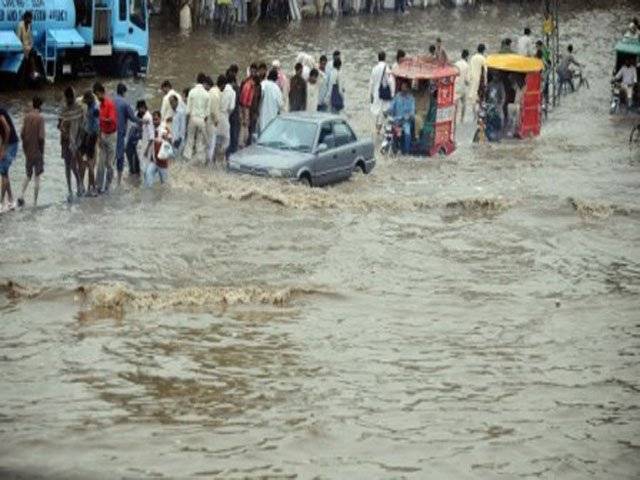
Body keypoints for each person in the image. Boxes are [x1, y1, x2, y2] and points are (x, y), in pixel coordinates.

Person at [16, 96, 45, 207]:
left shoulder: (27, 117)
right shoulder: (40, 118)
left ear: (33, 104)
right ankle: (34, 203)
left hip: (28, 151)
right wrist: (41, 152)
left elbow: (22, 134)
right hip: (37, 151)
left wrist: (25, 147)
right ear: (40, 106)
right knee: (37, 177)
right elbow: (41, 137)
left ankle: (21, 196)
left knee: (28, 175)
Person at [58, 90, 84, 201]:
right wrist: (63, 129)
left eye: (70, 98)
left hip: (76, 141)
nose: (69, 100)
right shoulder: (63, 109)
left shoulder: (79, 107)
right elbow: (59, 125)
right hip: (65, 141)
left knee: (73, 165)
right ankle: (70, 190)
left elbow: (83, 124)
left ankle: (79, 184)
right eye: (67, 98)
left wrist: (79, 140)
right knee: (67, 166)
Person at [93, 83, 118, 194]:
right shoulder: (99, 105)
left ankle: (108, 186)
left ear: (101, 92)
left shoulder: (109, 104)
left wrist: (100, 117)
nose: (96, 97)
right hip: (102, 135)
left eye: (96, 94)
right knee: (100, 164)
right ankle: (98, 187)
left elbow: (111, 120)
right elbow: (99, 123)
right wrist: (98, 137)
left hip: (111, 136)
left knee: (109, 164)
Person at [114, 83, 138, 186]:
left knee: (110, 156)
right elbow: (133, 118)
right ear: (124, 92)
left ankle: (109, 179)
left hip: (110, 132)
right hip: (120, 133)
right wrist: (143, 121)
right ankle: (118, 181)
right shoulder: (125, 103)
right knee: (120, 157)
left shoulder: (111, 101)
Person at [184, 73, 211, 163]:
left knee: (190, 140)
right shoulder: (207, 94)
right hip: (202, 120)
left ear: (196, 79)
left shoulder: (192, 92)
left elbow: (188, 110)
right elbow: (207, 113)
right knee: (200, 141)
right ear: (204, 82)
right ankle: (199, 161)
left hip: (193, 118)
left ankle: (187, 159)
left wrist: (187, 122)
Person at [79, 91, 99, 196]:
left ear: (88, 100)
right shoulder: (91, 106)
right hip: (88, 135)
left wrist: (89, 138)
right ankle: (86, 186)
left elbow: (95, 126)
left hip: (90, 137)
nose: (84, 102)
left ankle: (93, 187)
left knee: (89, 163)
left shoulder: (94, 109)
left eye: (85, 100)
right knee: (86, 162)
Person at [388, 80, 415, 154]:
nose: (403, 89)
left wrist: (408, 116)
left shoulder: (411, 99)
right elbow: (391, 107)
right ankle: (394, 149)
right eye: (402, 87)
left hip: (406, 121)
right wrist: (389, 111)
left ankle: (406, 151)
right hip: (396, 120)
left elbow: (412, 111)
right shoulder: (397, 96)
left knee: (407, 133)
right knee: (390, 132)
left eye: (405, 87)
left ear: (408, 88)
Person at [145, 113, 173, 187]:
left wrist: (166, 138)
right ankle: (149, 196)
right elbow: (150, 140)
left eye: (156, 119)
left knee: (164, 185)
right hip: (153, 160)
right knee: (148, 175)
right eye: (153, 120)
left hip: (163, 162)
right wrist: (146, 150)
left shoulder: (164, 129)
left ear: (160, 119)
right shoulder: (151, 129)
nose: (154, 122)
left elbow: (171, 141)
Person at [369, 51, 393, 134]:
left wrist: (370, 94)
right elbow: (390, 82)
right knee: (384, 111)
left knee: (377, 111)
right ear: (385, 58)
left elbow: (371, 83)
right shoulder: (386, 68)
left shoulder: (374, 68)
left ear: (378, 58)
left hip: (376, 93)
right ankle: (380, 130)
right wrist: (392, 93)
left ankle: (377, 130)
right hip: (384, 94)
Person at [0, 107, 18, 210]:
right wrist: (1, 148)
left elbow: (7, 129)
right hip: (9, 144)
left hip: (12, 144)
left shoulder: (0, 112)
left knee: (3, 171)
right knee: (4, 172)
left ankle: (1, 203)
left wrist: (4, 148)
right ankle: (11, 201)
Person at [259, 69, 284, 133]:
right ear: (276, 78)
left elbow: (259, 97)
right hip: (273, 118)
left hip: (262, 116)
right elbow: (281, 104)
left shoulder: (263, 84)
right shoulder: (276, 88)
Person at [239, 64, 257, 147]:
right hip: (246, 107)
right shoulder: (245, 82)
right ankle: (244, 144)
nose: (252, 73)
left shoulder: (257, 82)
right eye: (251, 71)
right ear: (249, 71)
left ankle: (248, 144)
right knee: (245, 126)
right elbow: (241, 96)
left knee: (251, 127)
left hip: (253, 108)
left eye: (254, 71)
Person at [219, 74, 236, 162]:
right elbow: (231, 107)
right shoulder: (232, 92)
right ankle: (222, 160)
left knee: (217, 140)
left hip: (217, 117)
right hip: (225, 117)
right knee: (226, 141)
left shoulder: (219, 90)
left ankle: (214, 161)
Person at [16, 11, 38, 81]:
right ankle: (33, 74)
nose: (31, 20)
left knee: (33, 54)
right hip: (21, 47)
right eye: (30, 18)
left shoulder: (29, 26)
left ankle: (32, 74)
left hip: (27, 48)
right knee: (31, 56)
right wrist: (25, 47)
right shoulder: (20, 25)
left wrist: (29, 47)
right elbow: (18, 39)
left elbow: (31, 39)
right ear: (26, 18)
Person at [485, 73, 506, 142]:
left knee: (500, 119)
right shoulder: (490, 84)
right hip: (490, 105)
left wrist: (501, 105)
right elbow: (486, 94)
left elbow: (503, 96)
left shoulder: (500, 85)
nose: (495, 77)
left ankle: (499, 135)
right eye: (494, 75)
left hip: (498, 105)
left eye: (496, 75)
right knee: (489, 120)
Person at [468, 43, 488, 118]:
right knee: (481, 99)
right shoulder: (483, 58)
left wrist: (469, 79)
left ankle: (474, 115)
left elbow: (470, 69)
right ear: (483, 50)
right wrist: (486, 82)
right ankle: (479, 114)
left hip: (473, 80)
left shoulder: (472, 58)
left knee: (473, 98)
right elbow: (485, 71)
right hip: (480, 82)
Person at [207, 75, 222, 165]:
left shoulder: (211, 92)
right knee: (211, 143)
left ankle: (207, 161)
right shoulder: (216, 94)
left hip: (208, 120)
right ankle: (209, 162)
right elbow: (214, 111)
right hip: (212, 122)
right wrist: (216, 121)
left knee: (208, 143)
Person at [226, 66, 241, 156]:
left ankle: (228, 154)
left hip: (228, 115)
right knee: (233, 136)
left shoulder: (225, 88)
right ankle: (232, 154)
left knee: (229, 137)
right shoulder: (236, 88)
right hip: (234, 114)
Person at [138, 100, 155, 173]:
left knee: (145, 167)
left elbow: (152, 136)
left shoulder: (147, 117)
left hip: (148, 145)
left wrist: (147, 149)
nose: (139, 111)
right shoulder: (146, 116)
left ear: (142, 107)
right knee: (144, 165)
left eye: (139, 109)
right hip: (145, 144)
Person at [454, 49, 470, 124]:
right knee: (464, 104)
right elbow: (467, 80)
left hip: (456, 87)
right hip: (463, 88)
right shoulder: (467, 65)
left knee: (455, 105)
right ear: (467, 56)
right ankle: (462, 120)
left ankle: (454, 119)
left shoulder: (456, 63)